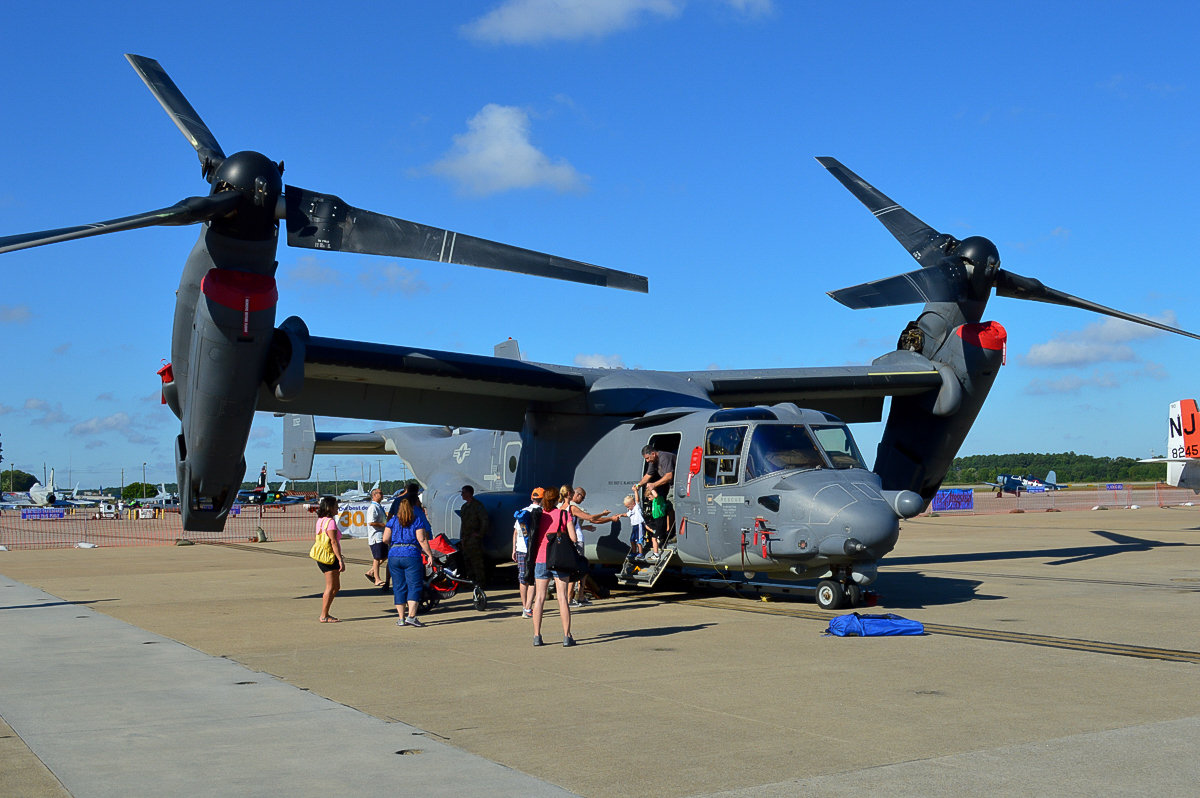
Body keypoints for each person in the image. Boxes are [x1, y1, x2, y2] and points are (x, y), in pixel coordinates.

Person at [529, 486, 578, 647]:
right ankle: (566, 636)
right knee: (562, 597)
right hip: (560, 559)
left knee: (540, 598)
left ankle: (537, 636)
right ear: (558, 499)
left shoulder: (539, 516)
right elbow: (574, 538)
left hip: (541, 559)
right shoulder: (564, 514)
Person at [384, 497, 435, 628]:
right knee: (414, 585)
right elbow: (422, 539)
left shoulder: (392, 521)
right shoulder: (417, 521)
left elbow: (385, 539)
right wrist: (429, 554)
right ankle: (411, 616)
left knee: (398, 586)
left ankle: (400, 618)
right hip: (411, 554)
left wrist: (396, 544)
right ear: (412, 508)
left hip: (394, 555)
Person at [512, 487, 544, 618]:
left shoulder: (522, 512)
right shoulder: (542, 513)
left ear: (532, 498)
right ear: (542, 499)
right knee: (533, 579)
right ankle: (528, 607)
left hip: (520, 548)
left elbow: (515, 532)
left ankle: (524, 605)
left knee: (522, 578)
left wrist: (513, 549)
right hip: (534, 549)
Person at [314, 495, 345, 623]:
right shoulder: (330, 522)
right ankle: (324, 615)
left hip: (322, 556)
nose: (338, 508)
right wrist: (340, 559)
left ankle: (325, 613)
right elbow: (333, 542)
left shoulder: (320, 520)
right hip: (329, 557)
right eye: (336, 506)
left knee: (336, 586)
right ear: (330, 507)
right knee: (330, 587)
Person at [458, 485, 489, 589]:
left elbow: (484, 521)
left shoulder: (478, 506)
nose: (462, 494)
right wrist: (462, 538)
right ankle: (472, 582)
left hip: (474, 539)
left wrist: (479, 534)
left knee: (477, 562)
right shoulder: (464, 507)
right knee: (468, 562)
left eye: (463, 492)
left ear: (469, 493)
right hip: (466, 539)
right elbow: (463, 524)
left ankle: (480, 583)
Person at [365, 487, 388, 587]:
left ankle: (371, 572)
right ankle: (377, 579)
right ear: (374, 495)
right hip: (376, 536)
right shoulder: (373, 508)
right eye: (380, 493)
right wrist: (384, 525)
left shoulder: (379, 506)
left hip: (382, 535)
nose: (382, 495)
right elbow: (371, 522)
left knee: (385, 555)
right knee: (377, 558)